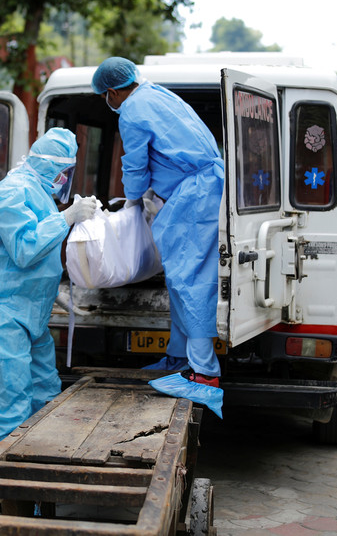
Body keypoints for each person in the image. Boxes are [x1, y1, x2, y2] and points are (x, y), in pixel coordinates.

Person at [92, 56, 225, 418]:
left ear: (113, 91)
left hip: (194, 197)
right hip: (200, 189)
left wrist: (132, 202)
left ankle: (205, 377)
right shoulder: (158, 94)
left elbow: (134, 164)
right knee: (182, 282)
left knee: (190, 282)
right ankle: (179, 360)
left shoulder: (132, 110)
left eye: (106, 96)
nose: (109, 101)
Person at [0, 128, 99, 452]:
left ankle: (39, 465)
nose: (65, 179)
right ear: (51, 167)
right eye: (64, 172)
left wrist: (48, 288)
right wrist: (67, 217)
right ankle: (3, 488)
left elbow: (34, 259)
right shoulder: (12, 191)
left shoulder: (37, 191)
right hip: (2, 314)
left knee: (45, 392)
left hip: (28, 310)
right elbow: (25, 248)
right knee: (11, 403)